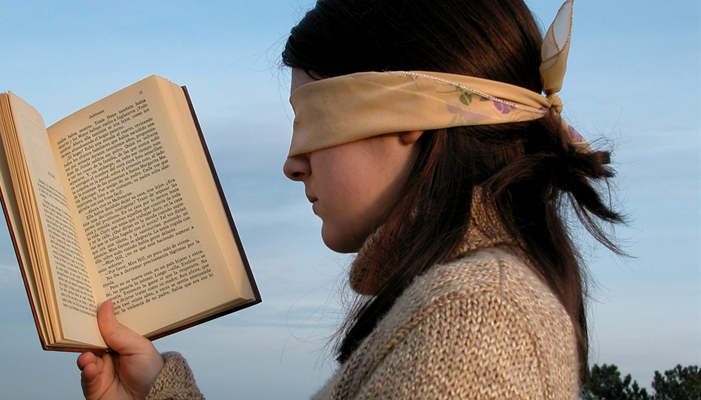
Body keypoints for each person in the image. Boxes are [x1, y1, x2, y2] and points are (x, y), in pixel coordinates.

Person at [77, 0, 625, 398]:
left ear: (407, 110)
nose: (293, 163)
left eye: (311, 118)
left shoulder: (479, 322)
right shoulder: (474, 306)